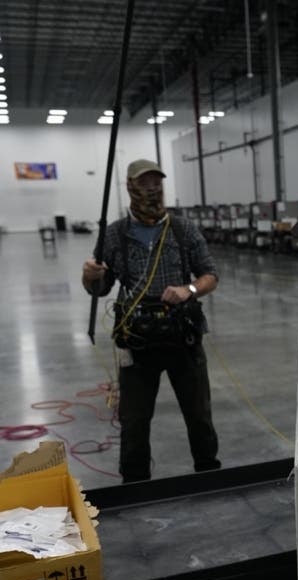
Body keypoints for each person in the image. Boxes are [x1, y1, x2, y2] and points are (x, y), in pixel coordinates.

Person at [81, 158, 221, 483]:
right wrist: (89, 277)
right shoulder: (114, 234)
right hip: (137, 340)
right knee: (134, 420)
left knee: (199, 415)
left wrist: (188, 289)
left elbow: (210, 275)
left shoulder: (183, 229)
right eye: (144, 183)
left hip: (182, 336)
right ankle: (134, 483)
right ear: (130, 185)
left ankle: (209, 475)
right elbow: (101, 289)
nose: (152, 189)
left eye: (157, 182)